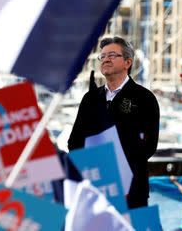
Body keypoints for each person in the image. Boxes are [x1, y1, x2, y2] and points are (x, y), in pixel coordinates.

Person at [68, 36, 160, 209]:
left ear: (127, 62)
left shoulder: (144, 98)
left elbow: (149, 145)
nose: (105, 59)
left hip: (131, 190)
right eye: (102, 56)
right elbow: (74, 141)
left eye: (111, 55)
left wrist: (117, 165)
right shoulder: (90, 99)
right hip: (96, 187)